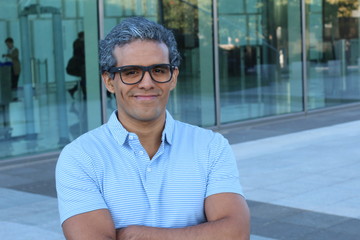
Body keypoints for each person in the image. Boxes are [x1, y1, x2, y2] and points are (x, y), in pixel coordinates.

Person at [56, 17, 250, 239]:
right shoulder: (80, 157)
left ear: (173, 77)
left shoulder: (211, 146)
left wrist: (137, 235)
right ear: (109, 82)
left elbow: (236, 233)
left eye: (158, 70)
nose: (147, 83)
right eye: (131, 72)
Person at [67, 31, 86, 99]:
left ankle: (73, 90)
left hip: (78, 64)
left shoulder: (76, 42)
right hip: (80, 65)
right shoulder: (81, 43)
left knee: (84, 79)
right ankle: (84, 94)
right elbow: (83, 53)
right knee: (84, 79)